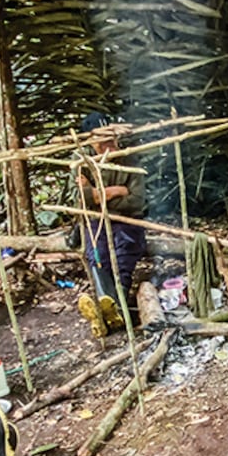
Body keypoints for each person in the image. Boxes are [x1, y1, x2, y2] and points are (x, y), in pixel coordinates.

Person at [76, 112, 146, 338]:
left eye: (111, 139)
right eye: (102, 142)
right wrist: (117, 191)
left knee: (124, 253)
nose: (109, 145)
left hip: (127, 220)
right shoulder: (82, 163)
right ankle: (109, 309)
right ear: (91, 143)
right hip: (96, 220)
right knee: (98, 255)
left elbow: (136, 200)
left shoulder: (129, 160)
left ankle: (114, 305)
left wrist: (97, 194)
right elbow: (81, 200)